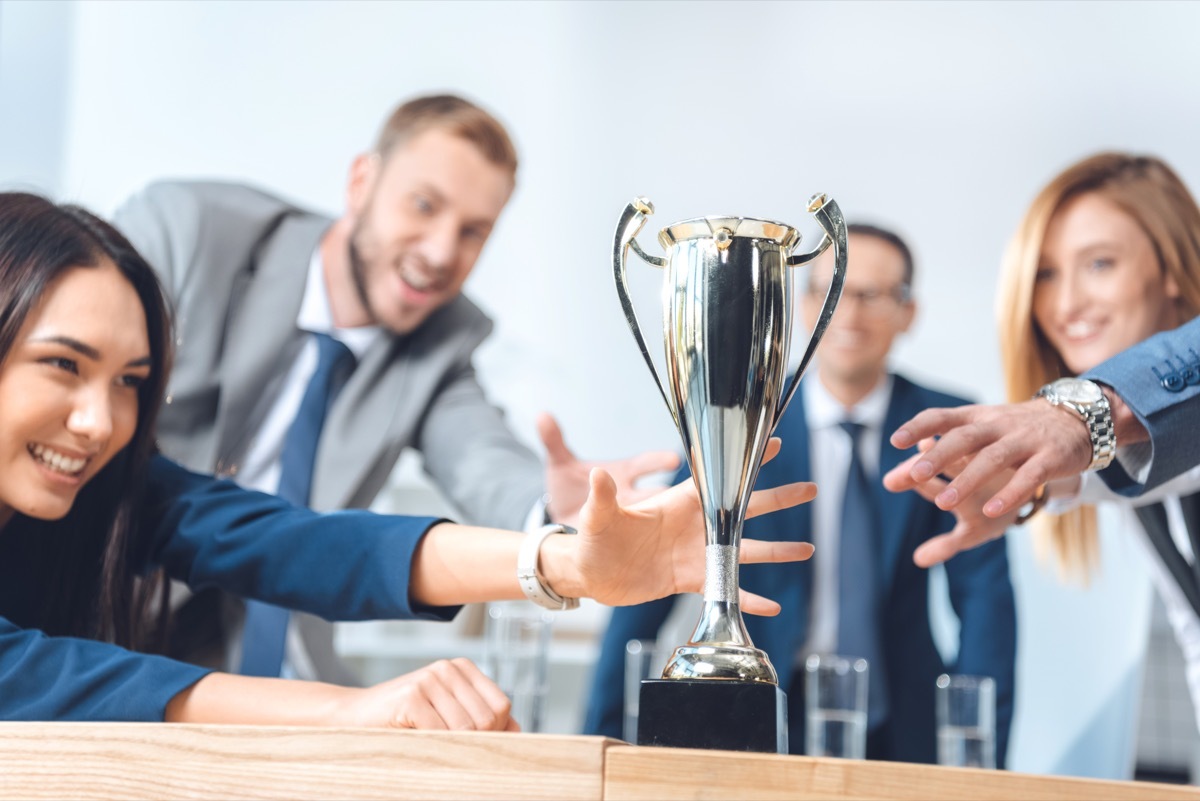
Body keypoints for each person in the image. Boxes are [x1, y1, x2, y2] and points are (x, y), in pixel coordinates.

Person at [0, 191, 816, 724]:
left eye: (131, 381)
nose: (98, 420)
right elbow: (36, 672)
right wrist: (345, 711)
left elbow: (295, 542)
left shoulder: (113, 484)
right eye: (63, 364)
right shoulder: (199, 225)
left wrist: (566, 562)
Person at [111, 94, 679, 681]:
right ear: (361, 182)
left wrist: (556, 511)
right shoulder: (187, 233)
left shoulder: (441, 342)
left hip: (254, 673)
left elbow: (482, 459)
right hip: (96, 621)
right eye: (424, 205)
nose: (440, 252)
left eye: (472, 232)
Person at [583, 224, 1017, 765]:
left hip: (902, 724)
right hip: (757, 712)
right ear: (803, 303)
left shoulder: (944, 426)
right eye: (831, 292)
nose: (849, 314)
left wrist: (981, 759)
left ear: (908, 312)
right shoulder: (735, 417)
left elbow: (986, 602)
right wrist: (596, 741)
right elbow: (652, 576)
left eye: (872, 295)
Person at [885, 153, 1200, 731]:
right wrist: (1022, 489)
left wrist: (1082, 415)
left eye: (1099, 263)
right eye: (1046, 274)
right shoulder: (1145, 453)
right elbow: (1121, 475)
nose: (1065, 304)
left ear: (1173, 269)